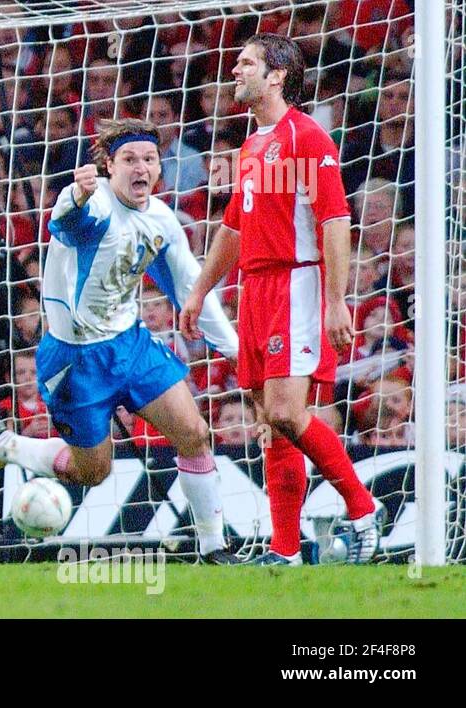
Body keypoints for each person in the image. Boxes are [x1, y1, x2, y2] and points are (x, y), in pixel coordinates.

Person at [0, 118, 241, 564]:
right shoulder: (92, 205)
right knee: (93, 471)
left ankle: (214, 548)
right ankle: (10, 447)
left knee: (193, 432)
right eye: (130, 159)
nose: (141, 168)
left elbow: (190, 287)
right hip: (74, 361)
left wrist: (234, 351)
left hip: (130, 345)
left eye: (150, 160)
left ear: (160, 168)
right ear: (108, 167)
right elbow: (67, 220)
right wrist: (76, 195)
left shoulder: (161, 220)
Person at [180, 34, 382, 566]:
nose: (234, 71)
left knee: (287, 412)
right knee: (271, 426)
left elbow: (335, 219)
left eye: (245, 63)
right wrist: (201, 291)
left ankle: (363, 508)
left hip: (298, 285)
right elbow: (234, 227)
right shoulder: (251, 144)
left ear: (275, 76)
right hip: (256, 289)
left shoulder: (307, 136)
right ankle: (286, 549)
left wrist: (336, 300)